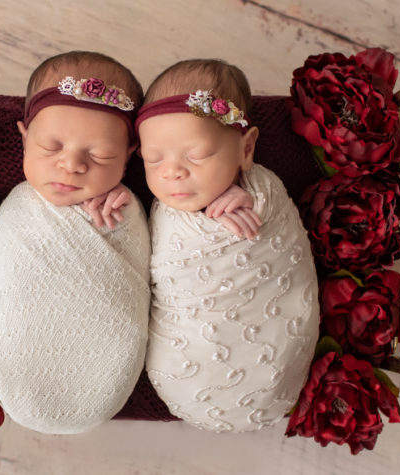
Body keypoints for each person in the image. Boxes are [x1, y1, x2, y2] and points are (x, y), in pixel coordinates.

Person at [137, 59, 320, 433]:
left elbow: (283, 254)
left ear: (246, 147)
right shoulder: (162, 214)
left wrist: (252, 203)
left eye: (197, 155)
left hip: (270, 349)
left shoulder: (264, 190)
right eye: (153, 159)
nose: (171, 171)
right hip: (186, 364)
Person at [0, 51, 150, 434]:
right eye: (51, 147)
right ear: (24, 138)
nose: (71, 165)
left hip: (103, 350)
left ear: (129, 158)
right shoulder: (20, 205)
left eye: (102, 155)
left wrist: (126, 217)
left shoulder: (120, 207)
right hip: (23, 344)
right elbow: (4, 278)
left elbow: (139, 270)